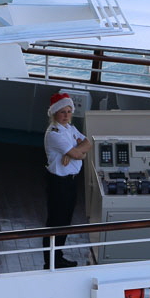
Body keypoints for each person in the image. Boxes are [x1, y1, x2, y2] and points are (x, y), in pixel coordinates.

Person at [44, 92, 92, 268]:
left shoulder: (69, 129)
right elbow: (80, 154)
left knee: (65, 222)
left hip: (70, 182)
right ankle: (51, 261)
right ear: (54, 113)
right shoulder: (54, 133)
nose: (66, 115)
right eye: (62, 112)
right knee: (55, 223)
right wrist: (78, 155)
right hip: (59, 183)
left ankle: (58, 257)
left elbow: (88, 143)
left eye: (69, 111)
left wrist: (72, 154)